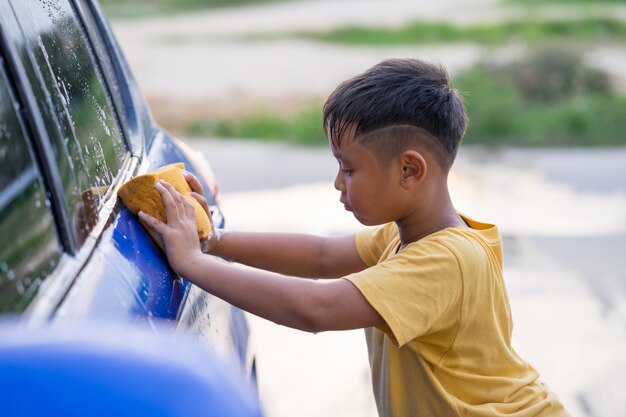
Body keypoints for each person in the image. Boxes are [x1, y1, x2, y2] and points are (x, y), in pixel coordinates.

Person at [138, 58, 569, 417]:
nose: (337, 183)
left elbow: (317, 309)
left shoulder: (446, 261)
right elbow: (323, 257)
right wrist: (212, 239)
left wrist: (192, 264)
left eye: (349, 169)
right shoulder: (404, 237)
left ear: (409, 171)